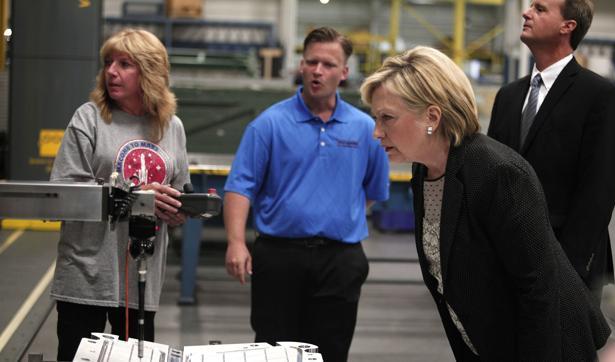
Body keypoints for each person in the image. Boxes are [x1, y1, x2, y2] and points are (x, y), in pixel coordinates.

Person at [360, 45, 610, 361]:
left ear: (432, 117)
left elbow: (539, 293)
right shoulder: (425, 170)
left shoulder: (497, 172)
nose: (376, 132)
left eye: (387, 118)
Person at [223, 27, 389, 362]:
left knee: (332, 350)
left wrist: (335, 214)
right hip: (279, 257)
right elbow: (241, 186)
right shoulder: (268, 124)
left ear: (344, 73)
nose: (317, 71)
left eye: (328, 64)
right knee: (272, 350)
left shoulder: (364, 129)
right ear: (301, 65)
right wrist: (236, 242)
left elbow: (371, 191)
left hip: (340, 261)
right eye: (312, 62)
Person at [50, 28, 190, 360]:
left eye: (125, 63)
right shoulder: (90, 119)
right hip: (86, 275)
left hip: (142, 277)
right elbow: (65, 192)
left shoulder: (172, 127)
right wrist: (137, 196)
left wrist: (177, 210)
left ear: (150, 72)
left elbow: (180, 192)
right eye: (109, 62)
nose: (111, 71)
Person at [487, 0, 615, 304]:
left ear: (568, 26)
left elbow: (598, 192)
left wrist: (566, 270)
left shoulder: (600, 97)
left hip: (568, 267)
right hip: (507, 262)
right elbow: (491, 178)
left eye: (539, 9)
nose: (526, 13)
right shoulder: (508, 97)